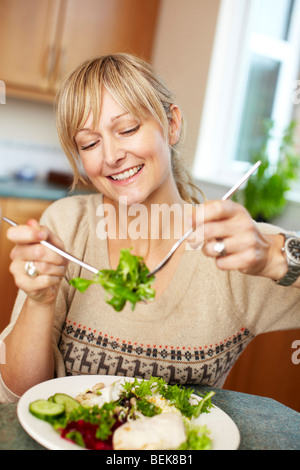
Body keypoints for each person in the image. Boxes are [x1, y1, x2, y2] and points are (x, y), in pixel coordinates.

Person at [0, 53, 299, 404]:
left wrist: (278, 257)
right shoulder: (66, 227)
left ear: (171, 124)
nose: (111, 155)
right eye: (90, 143)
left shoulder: (232, 246)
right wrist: (40, 300)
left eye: (127, 129)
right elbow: (17, 397)